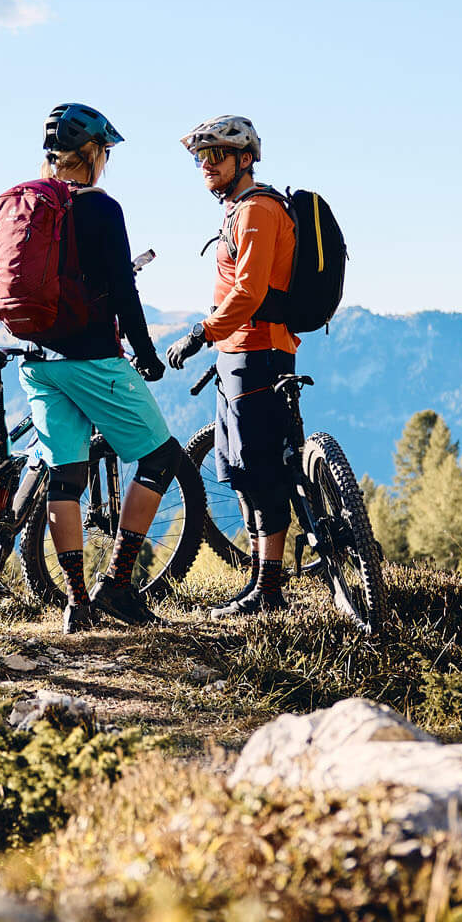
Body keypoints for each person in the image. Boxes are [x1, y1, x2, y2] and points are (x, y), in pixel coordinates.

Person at [16, 103, 186, 632]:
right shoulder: (101, 209)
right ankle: (117, 584)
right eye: (105, 151)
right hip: (90, 358)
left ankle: (76, 603)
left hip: (35, 361)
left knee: (65, 475)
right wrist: (149, 353)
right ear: (92, 154)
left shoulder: (30, 205)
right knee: (161, 459)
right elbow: (123, 290)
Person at [164, 115, 297, 617]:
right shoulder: (238, 210)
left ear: (244, 159)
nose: (205, 165)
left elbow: (250, 291)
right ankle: (261, 586)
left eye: (214, 155)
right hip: (237, 353)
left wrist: (202, 333)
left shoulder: (259, 210)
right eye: (200, 157)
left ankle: (269, 590)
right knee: (240, 470)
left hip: (258, 350)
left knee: (260, 471)